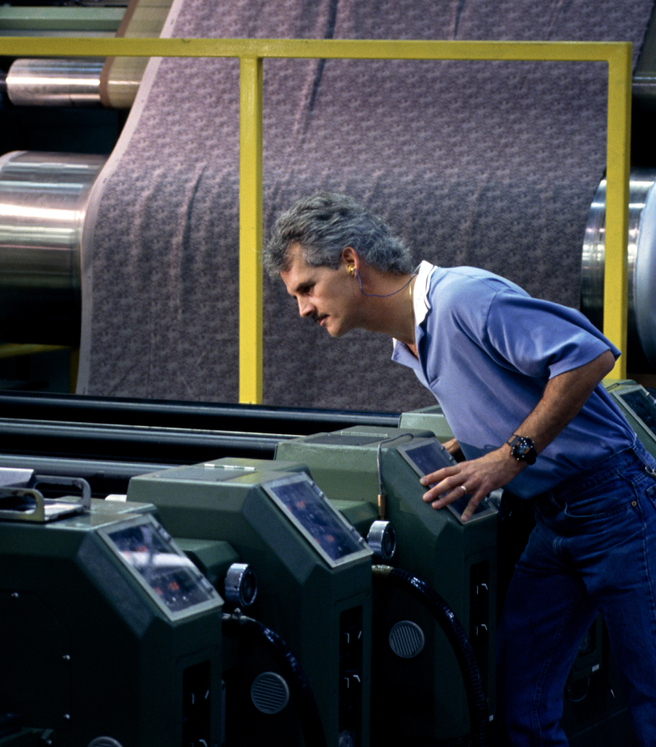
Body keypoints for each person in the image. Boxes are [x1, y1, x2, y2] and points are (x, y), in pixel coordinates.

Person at [263, 190, 656, 746]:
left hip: (616, 503)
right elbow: (511, 384)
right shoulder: (412, 338)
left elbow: (588, 354)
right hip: (556, 518)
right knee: (521, 705)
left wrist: (507, 455)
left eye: (307, 288)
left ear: (351, 261)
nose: (303, 308)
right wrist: (473, 440)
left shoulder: (463, 298)